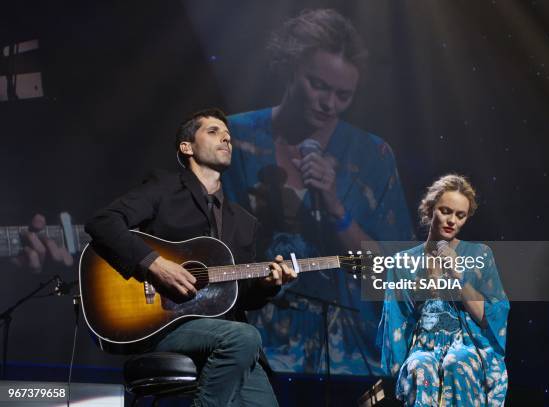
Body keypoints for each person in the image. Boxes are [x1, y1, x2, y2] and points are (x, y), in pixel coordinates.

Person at [223, 8, 414, 374]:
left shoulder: (372, 156)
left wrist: (334, 205)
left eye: (343, 95)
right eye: (319, 85)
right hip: (249, 343)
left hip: (350, 354)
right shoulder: (233, 138)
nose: (329, 104)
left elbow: (396, 271)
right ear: (291, 68)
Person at [85, 108, 296, 406]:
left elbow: (242, 297)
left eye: (228, 135)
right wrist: (155, 264)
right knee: (244, 337)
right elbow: (103, 222)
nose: (226, 138)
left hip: (224, 331)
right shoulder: (164, 188)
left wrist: (269, 284)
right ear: (187, 147)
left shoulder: (244, 221)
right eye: (213, 132)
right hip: (164, 324)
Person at [377, 174, 509, 406]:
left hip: (467, 344)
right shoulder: (403, 262)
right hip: (423, 345)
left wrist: (458, 277)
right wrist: (395, 377)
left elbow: (489, 318)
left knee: (456, 363)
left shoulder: (479, 255)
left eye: (460, 215)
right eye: (445, 211)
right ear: (430, 210)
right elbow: (397, 324)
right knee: (420, 367)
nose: (452, 221)